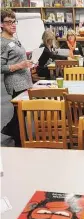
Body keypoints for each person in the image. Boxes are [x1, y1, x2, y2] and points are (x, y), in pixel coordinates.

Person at [1, 9, 33, 146]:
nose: (13, 25)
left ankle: (9, 131)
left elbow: (19, 58)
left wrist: (28, 63)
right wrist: (19, 65)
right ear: (1, 24)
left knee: (21, 112)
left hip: (25, 80)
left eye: (14, 22)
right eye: (9, 22)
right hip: (15, 82)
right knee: (21, 113)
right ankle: (18, 141)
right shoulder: (2, 42)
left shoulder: (14, 38)